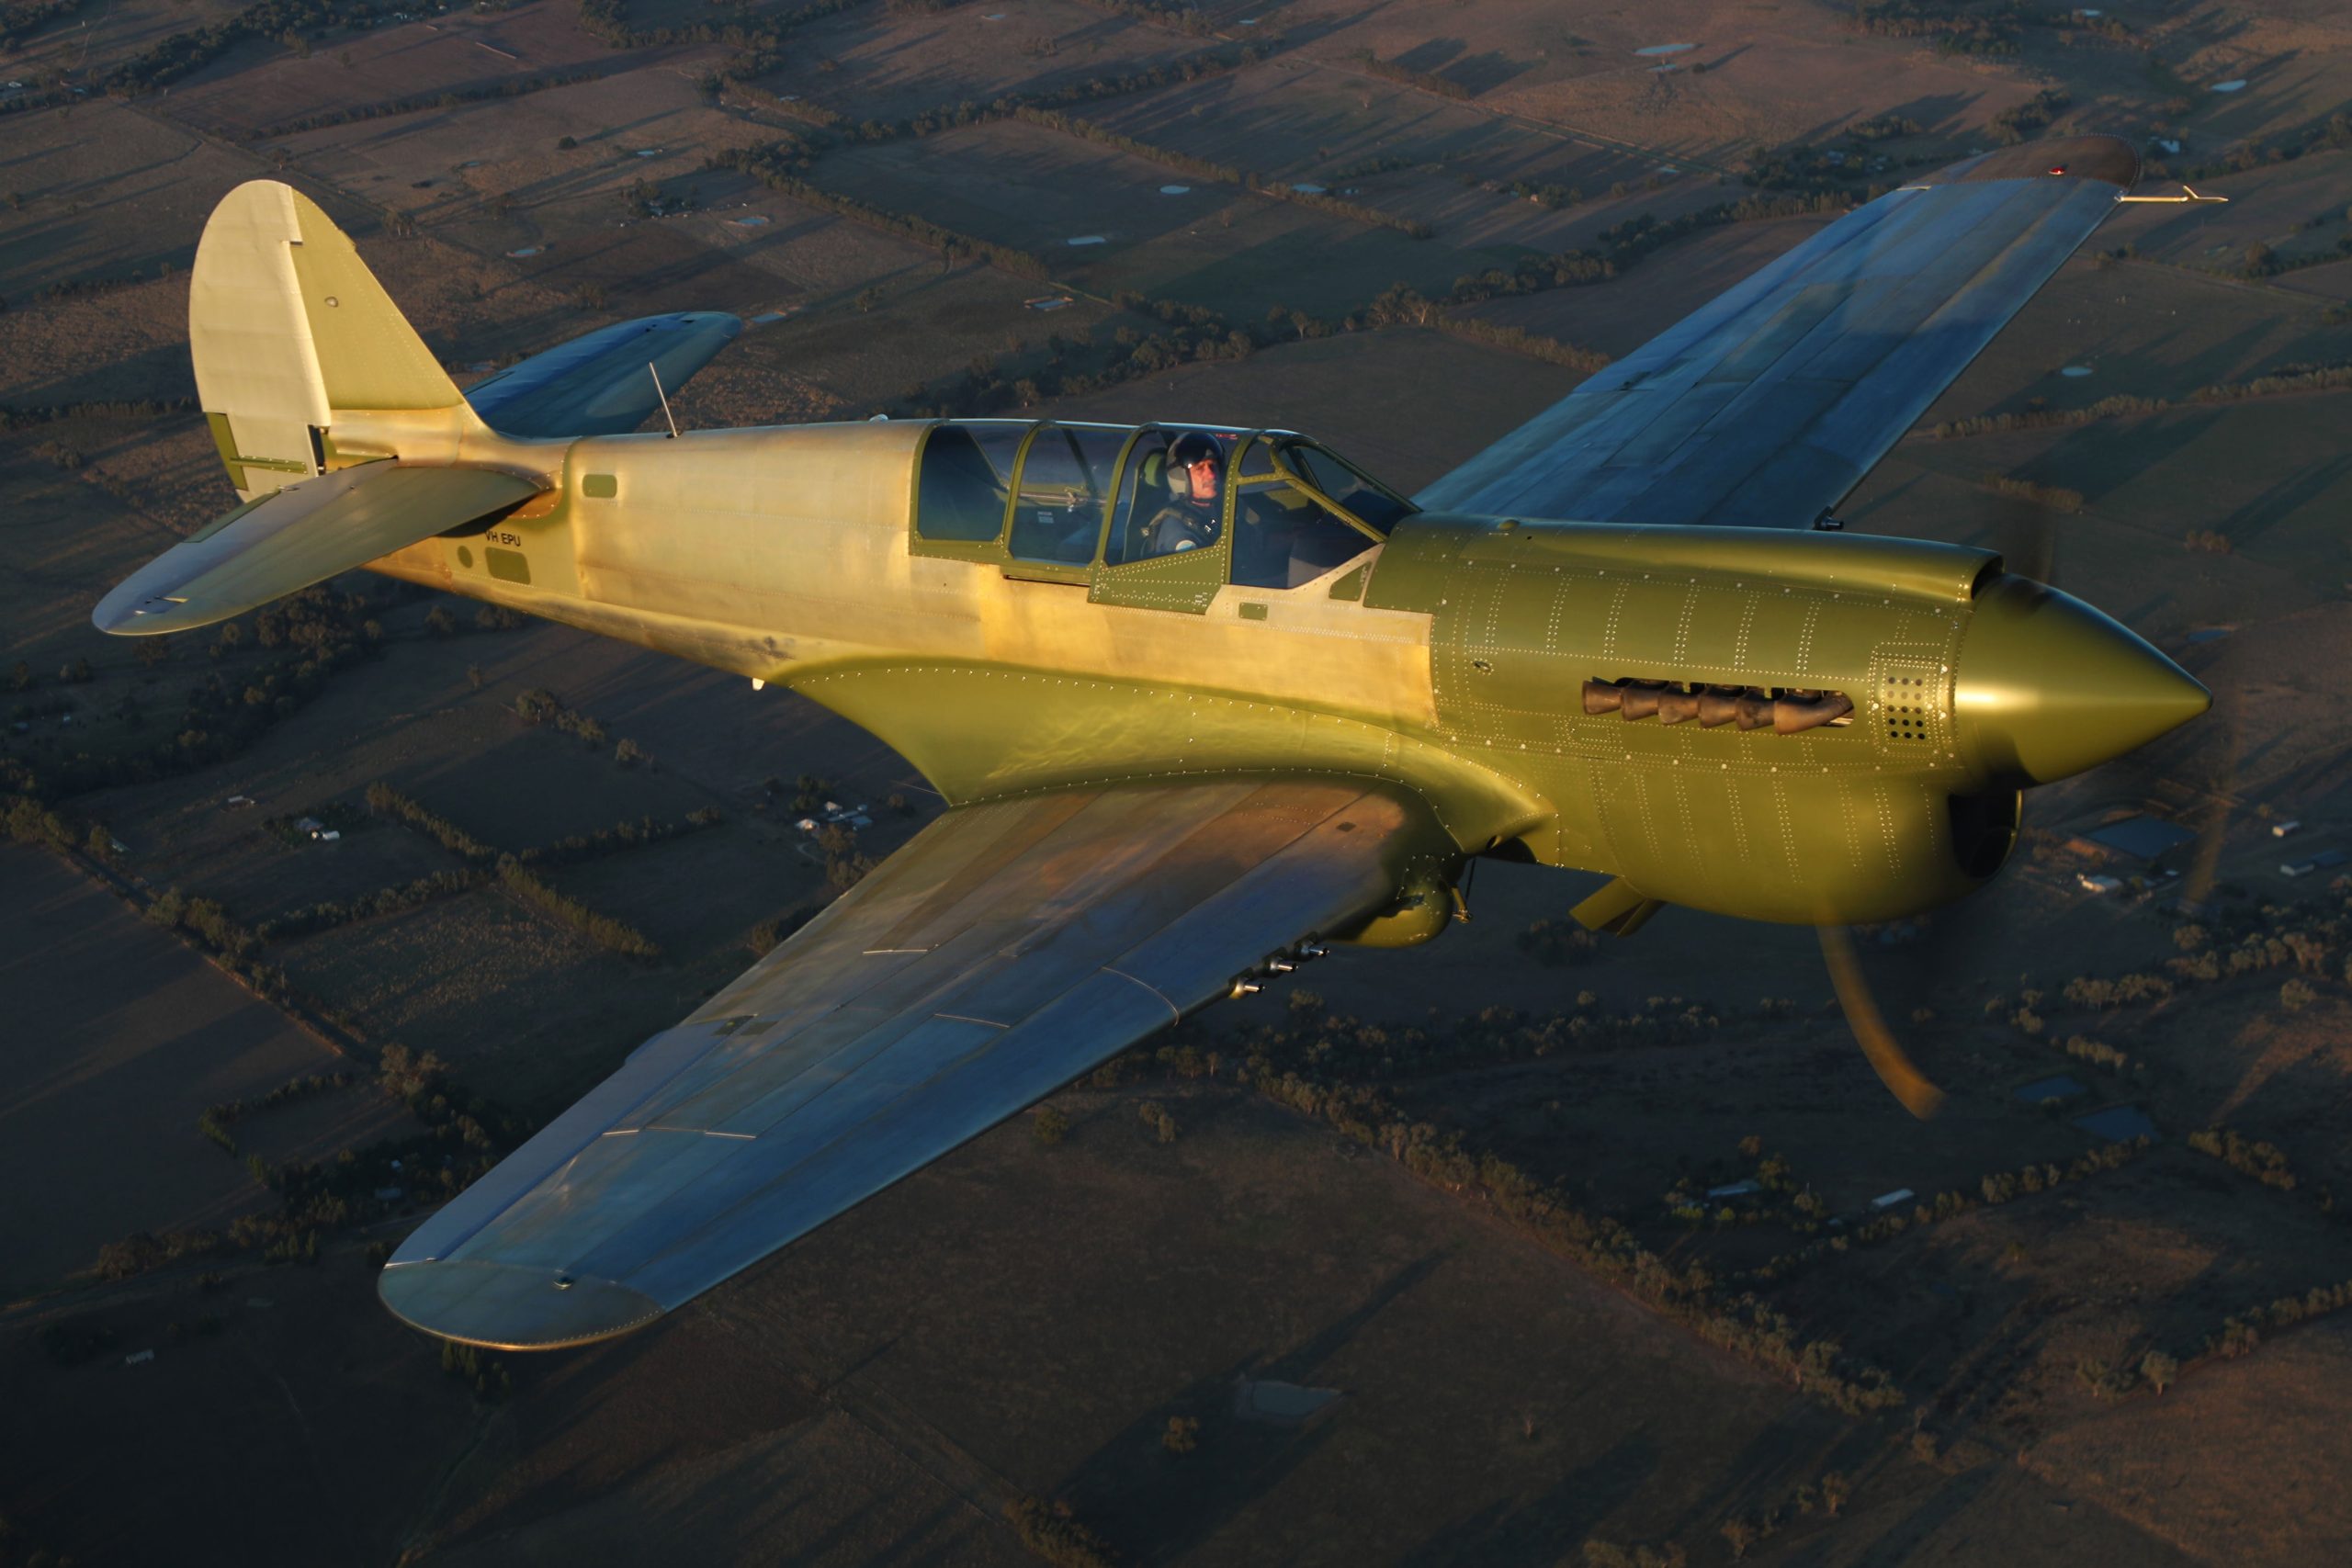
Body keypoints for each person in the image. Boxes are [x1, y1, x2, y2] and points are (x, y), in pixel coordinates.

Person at [1144, 433, 1224, 556]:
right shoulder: (1179, 532)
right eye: (1199, 469)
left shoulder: (1225, 508)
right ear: (1180, 476)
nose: (1211, 475)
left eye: (1212, 465)